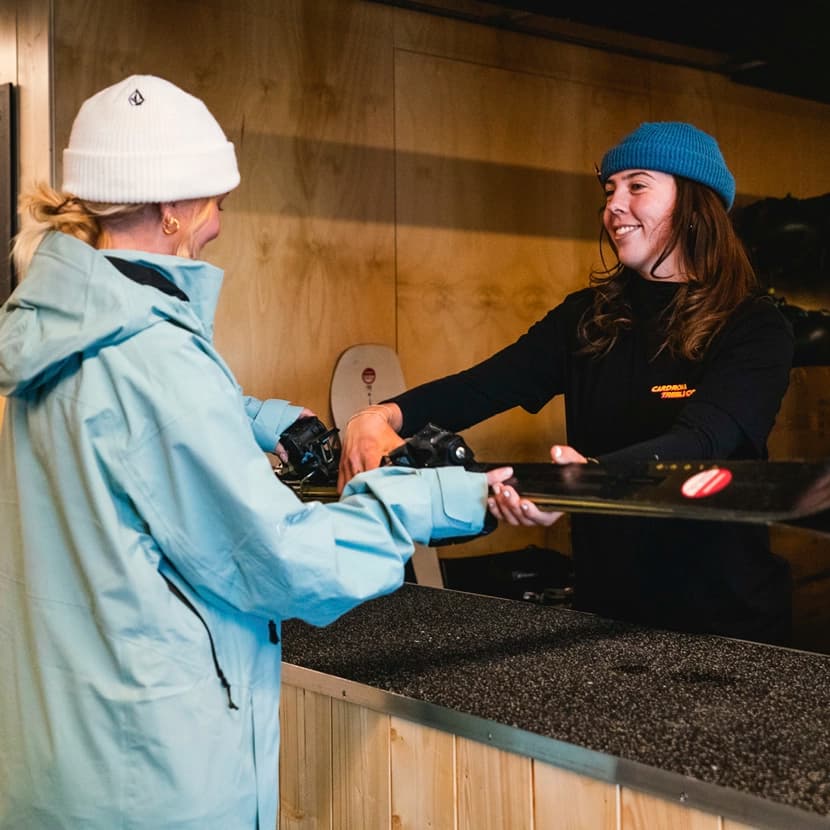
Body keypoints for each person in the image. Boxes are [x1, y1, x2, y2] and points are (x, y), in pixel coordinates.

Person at [0, 75, 514, 829]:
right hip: (158, 780)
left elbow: (129, 441)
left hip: (64, 764)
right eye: (215, 201)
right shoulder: (154, 360)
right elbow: (282, 563)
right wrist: (430, 500)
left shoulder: (60, 331)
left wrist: (261, 418)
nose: (218, 224)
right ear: (171, 208)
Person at [340, 121, 795, 646]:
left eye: (637, 186)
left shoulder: (754, 325)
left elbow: (705, 439)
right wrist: (378, 417)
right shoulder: (587, 319)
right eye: (609, 190)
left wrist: (587, 483)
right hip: (606, 619)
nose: (613, 207)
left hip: (728, 626)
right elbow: (482, 386)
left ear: (695, 204)